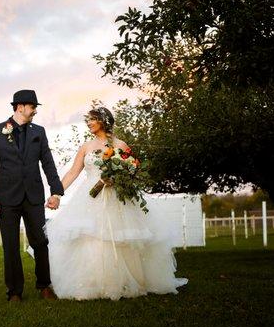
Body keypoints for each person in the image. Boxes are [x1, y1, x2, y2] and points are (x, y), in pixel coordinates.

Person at [46, 106, 188, 300]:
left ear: (103, 121)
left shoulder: (120, 145)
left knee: (122, 237)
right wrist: (56, 194)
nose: (88, 123)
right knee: (91, 236)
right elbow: (72, 173)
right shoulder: (85, 147)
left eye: (92, 119)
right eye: (88, 120)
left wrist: (119, 177)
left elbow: (133, 169)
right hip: (91, 195)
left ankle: (125, 281)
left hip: (116, 196)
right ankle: (92, 283)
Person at [0, 90, 64, 302]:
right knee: (10, 246)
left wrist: (56, 191)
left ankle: (44, 286)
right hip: (6, 198)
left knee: (40, 242)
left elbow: (48, 163)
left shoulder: (39, 131)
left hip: (34, 196)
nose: (35, 111)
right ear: (20, 107)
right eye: (32, 107)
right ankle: (15, 292)